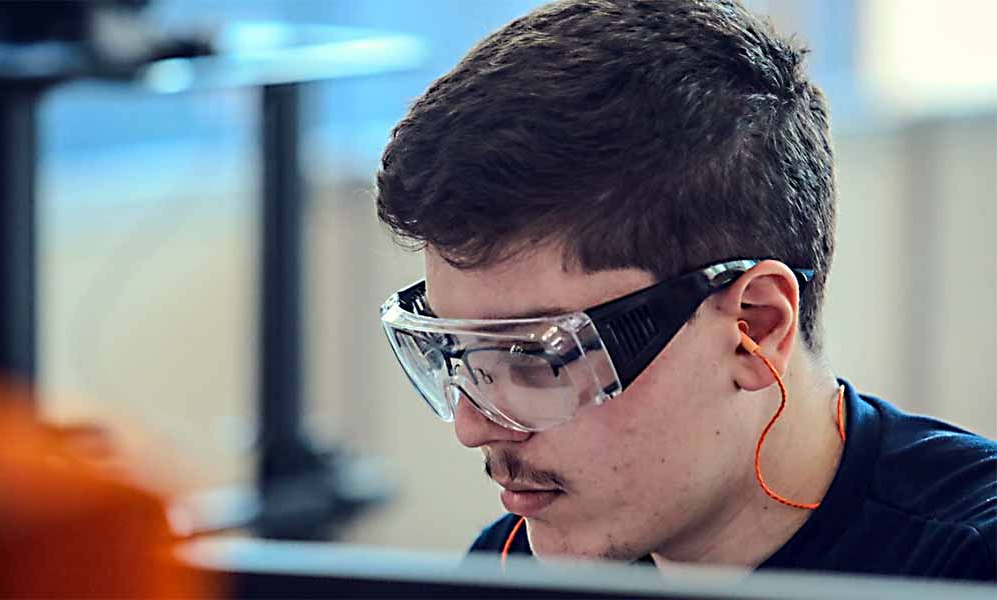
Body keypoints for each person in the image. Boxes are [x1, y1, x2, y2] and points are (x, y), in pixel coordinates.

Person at [374, 0, 996, 581]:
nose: (473, 427)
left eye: (535, 357)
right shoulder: (508, 565)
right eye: (455, 353)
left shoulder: (966, 567)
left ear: (756, 327)